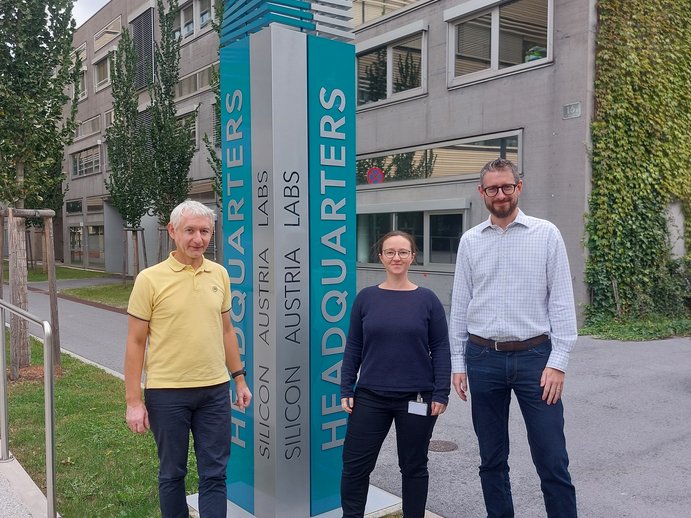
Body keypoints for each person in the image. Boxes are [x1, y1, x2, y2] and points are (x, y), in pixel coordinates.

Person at [449, 158, 578, 518]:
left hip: (536, 360)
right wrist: (458, 364)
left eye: (507, 186)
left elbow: (562, 303)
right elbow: (459, 306)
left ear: (518, 187)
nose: (500, 194)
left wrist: (559, 362)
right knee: (491, 459)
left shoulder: (546, 234)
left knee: (552, 460)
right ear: (482, 193)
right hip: (482, 358)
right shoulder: (470, 241)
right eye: (492, 188)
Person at [124, 199, 252, 518]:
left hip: (215, 393)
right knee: (172, 474)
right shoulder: (150, 279)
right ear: (172, 231)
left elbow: (226, 331)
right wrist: (133, 401)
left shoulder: (219, 275)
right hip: (167, 394)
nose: (198, 239)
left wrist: (239, 378)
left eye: (205, 231)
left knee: (215, 475)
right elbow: (136, 342)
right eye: (190, 230)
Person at [340, 230, 451, 518]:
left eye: (403, 252)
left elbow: (440, 348)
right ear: (381, 257)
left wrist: (441, 392)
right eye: (390, 252)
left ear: (413, 257)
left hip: (416, 397)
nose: (396, 257)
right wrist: (346, 388)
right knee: (355, 466)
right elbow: (354, 345)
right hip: (370, 397)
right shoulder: (366, 298)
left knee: (414, 466)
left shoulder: (428, 300)